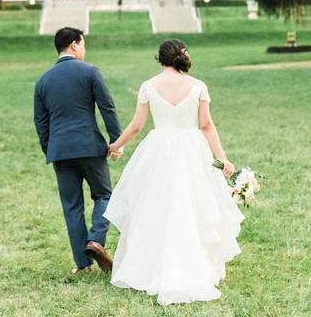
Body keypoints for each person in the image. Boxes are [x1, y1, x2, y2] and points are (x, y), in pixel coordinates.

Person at [103, 39, 243, 305]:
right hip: (193, 149)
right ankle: (195, 263)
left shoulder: (149, 86)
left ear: (160, 59)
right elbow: (206, 125)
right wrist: (221, 157)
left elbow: (136, 126)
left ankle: (152, 265)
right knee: (193, 204)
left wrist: (115, 146)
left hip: (159, 150)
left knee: (157, 206)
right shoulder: (198, 86)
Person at [34, 27, 123, 274]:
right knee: (104, 195)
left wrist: (50, 149)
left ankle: (82, 265)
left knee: (72, 206)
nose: (84, 48)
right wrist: (116, 141)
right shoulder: (90, 71)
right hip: (89, 148)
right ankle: (95, 240)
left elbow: (41, 123)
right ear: (74, 44)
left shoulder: (43, 80)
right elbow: (107, 108)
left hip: (59, 151)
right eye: (82, 44)